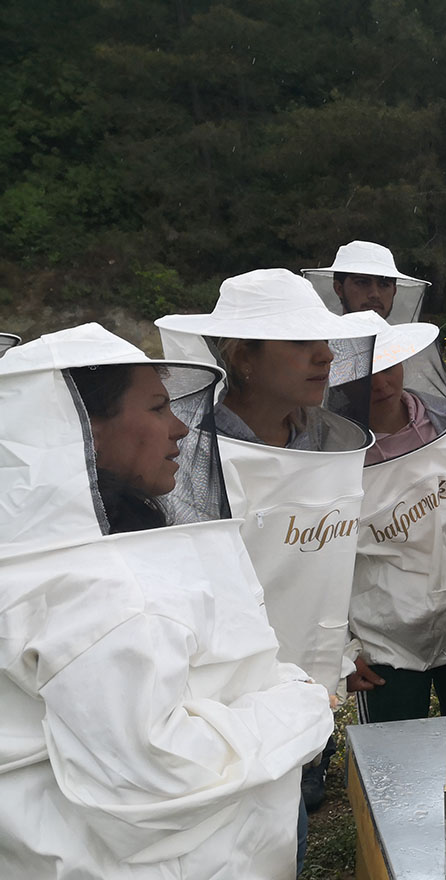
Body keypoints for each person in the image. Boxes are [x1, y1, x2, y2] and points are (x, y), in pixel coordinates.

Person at [0, 324, 333, 880]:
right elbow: (158, 776)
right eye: (157, 407)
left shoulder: (55, 560)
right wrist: (300, 707)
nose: (181, 427)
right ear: (79, 432)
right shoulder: (96, 590)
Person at [157, 270, 378, 811]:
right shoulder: (186, 458)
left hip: (313, 691)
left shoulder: (326, 438)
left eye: (324, 340)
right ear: (243, 358)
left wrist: (339, 656)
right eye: (300, 342)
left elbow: (316, 570)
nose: (325, 356)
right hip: (230, 707)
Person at [344, 319, 446, 723]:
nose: (379, 383)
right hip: (386, 641)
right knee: (391, 767)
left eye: (388, 366)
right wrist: (342, 651)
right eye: (364, 374)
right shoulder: (333, 453)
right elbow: (319, 562)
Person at [303, 239, 431, 323]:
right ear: (339, 289)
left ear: (394, 291)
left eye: (384, 284)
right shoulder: (320, 352)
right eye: (362, 282)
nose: (375, 294)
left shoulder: (403, 349)